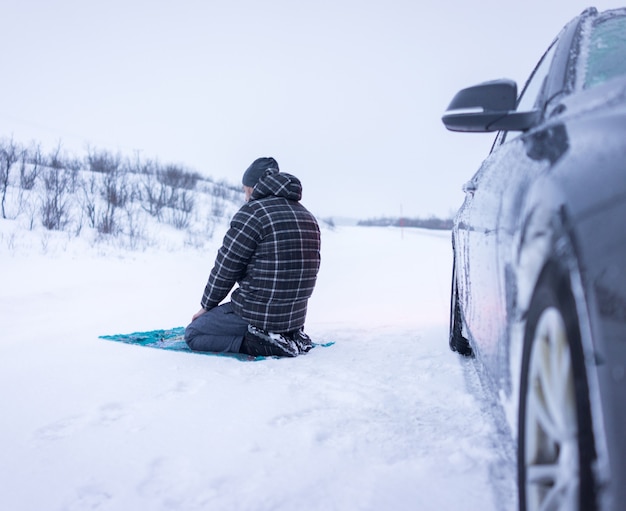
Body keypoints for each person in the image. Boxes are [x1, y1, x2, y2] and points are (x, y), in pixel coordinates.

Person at [185, 157, 321, 357]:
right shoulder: (308, 216)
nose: (245, 196)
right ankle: (288, 336)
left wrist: (207, 306)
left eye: (245, 189)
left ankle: (258, 343)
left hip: (258, 314)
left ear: (254, 187)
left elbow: (226, 267)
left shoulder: (253, 213)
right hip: (295, 317)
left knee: (194, 333)